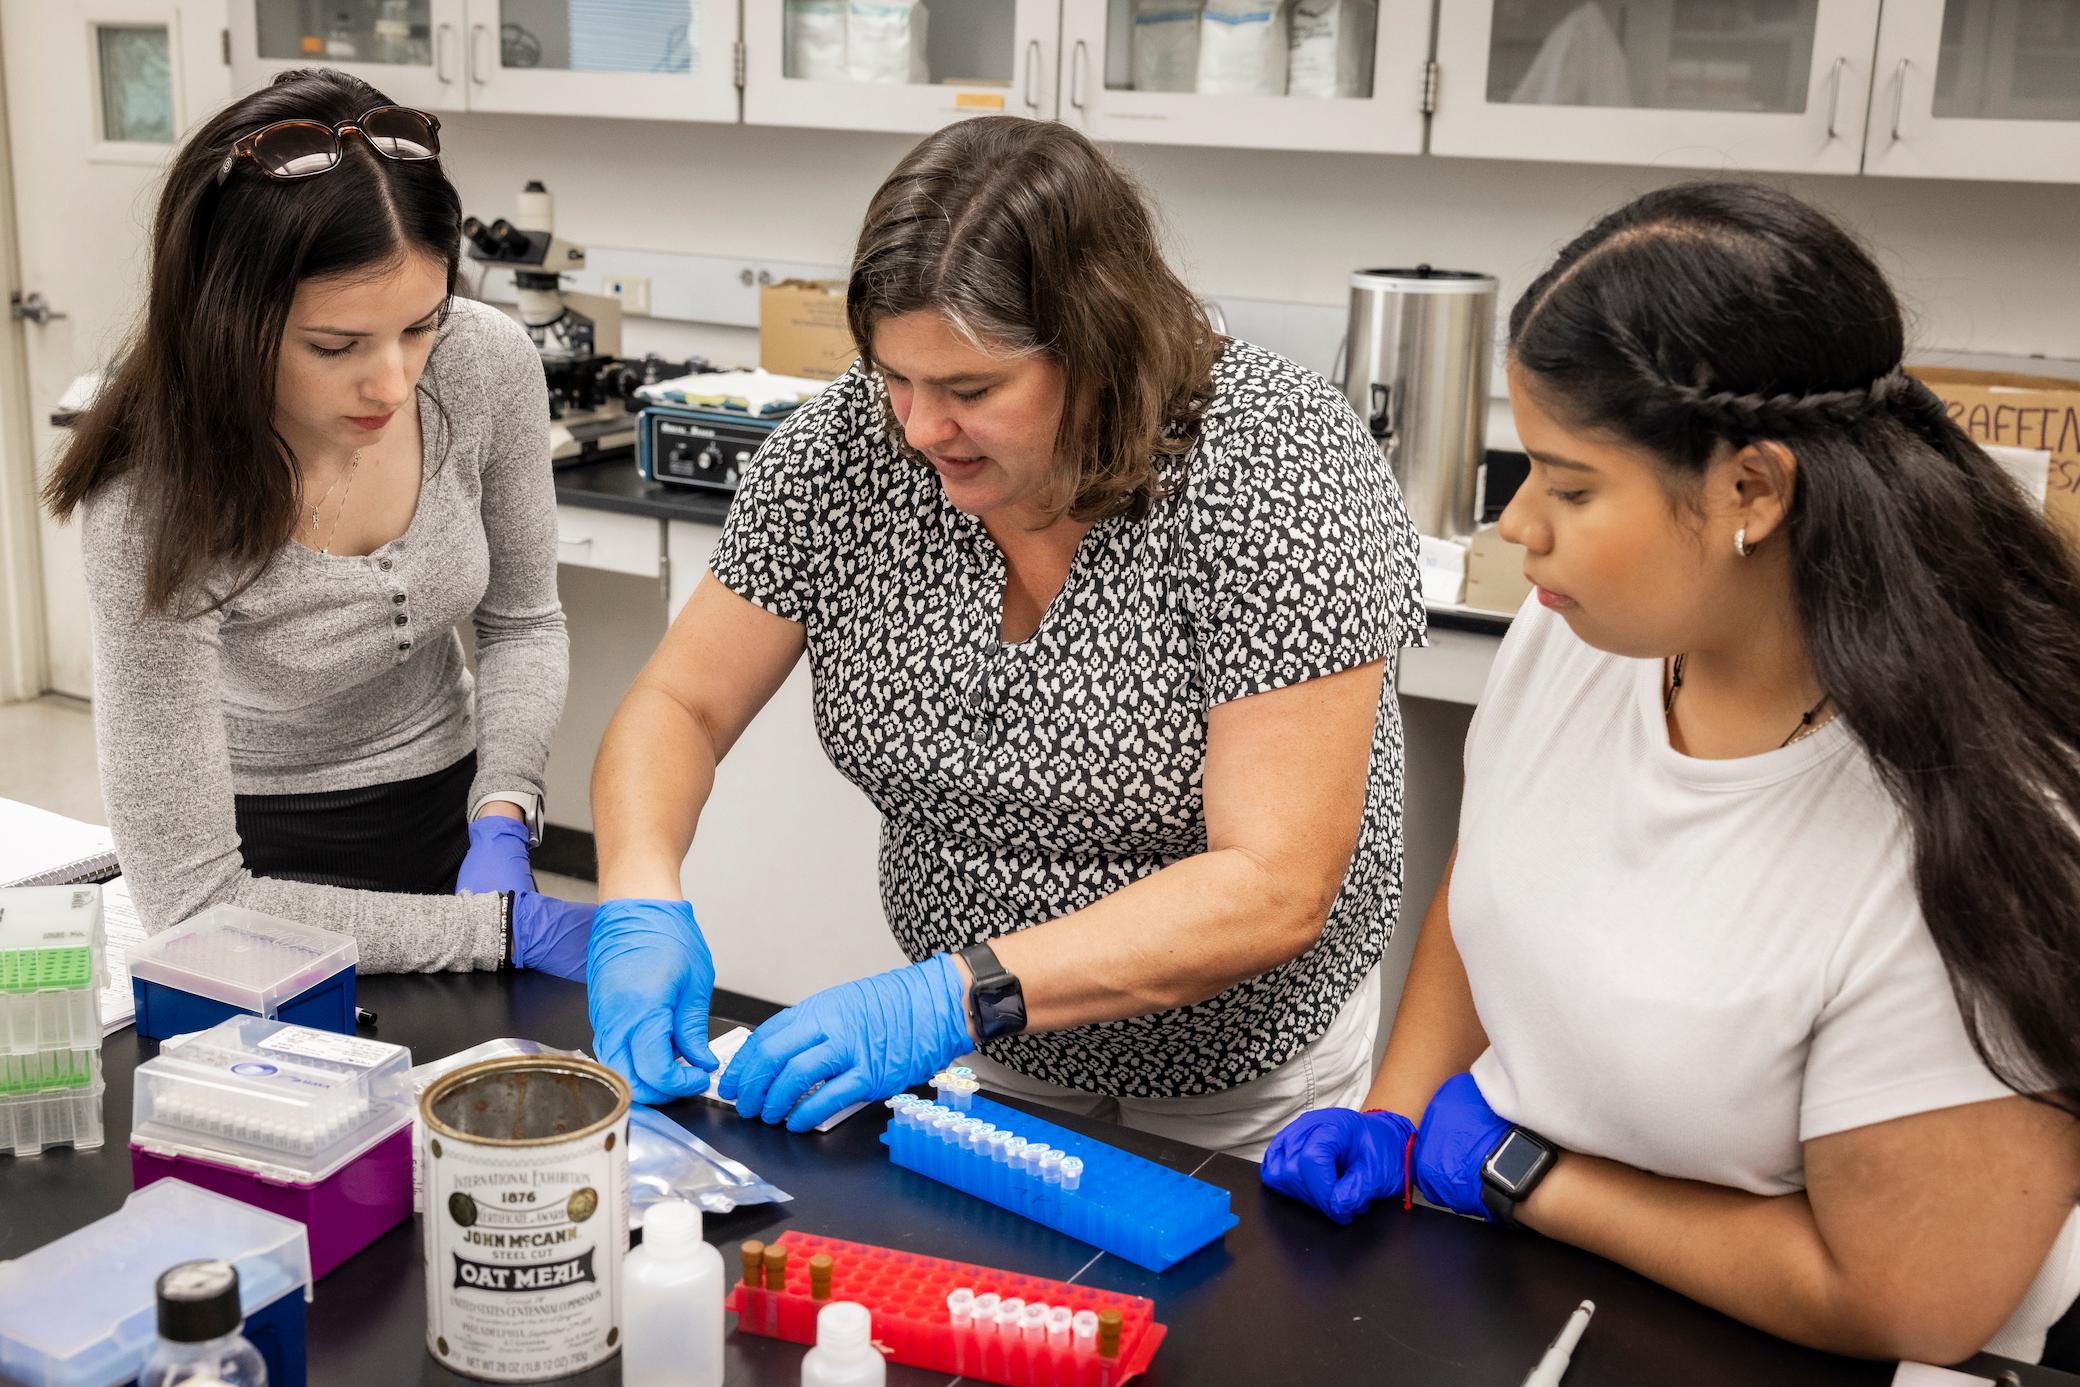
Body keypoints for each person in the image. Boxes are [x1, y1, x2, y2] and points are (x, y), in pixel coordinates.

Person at [1260, 182, 2080, 1364]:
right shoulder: (1579, 637)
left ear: (1753, 488)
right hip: (1524, 1294)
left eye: (1570, 484)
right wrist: (1394, 1116)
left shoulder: (1975, 817)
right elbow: (1491, 876)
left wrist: (1518, 1171)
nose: (1517, 525)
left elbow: (1907, 1298)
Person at [586, 116, 1425, 1157]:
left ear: (1097, 348)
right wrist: (638, 896)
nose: (915, 427)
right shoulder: (852, 448)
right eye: (894, 376)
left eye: (970, 391)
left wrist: (954, 993)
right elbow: (683, 702)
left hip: (1239, 1079)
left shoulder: (1272, 462)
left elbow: (1272, 879)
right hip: (997, 1054)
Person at [43, 69, 591, 977]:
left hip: (450, 820)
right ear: (228, 322)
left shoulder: (485, 365)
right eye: (335, 347)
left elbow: (524, 620)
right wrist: (493, 936)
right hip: (258, 877)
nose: (393, 382)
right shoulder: (152, 498)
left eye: (420, 325)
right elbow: (191, 900)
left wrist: (504, 805)